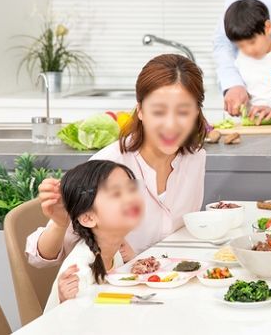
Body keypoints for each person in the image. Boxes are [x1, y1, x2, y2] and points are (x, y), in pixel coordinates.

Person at [26, 54, 208, 301]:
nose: (171, 125)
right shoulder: (110, 167)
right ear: (140, 111)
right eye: (158, 112)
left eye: (184, 112)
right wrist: (59, 224)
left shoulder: (195, 158)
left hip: (170, 287)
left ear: (197, 113)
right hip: (116, 300)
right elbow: (40, 258)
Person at [45, 160, 144, 311]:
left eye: (131, 189)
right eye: (116, 194)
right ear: (88, 218)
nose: (131, 198)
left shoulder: (113, 251)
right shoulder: (80, 272)